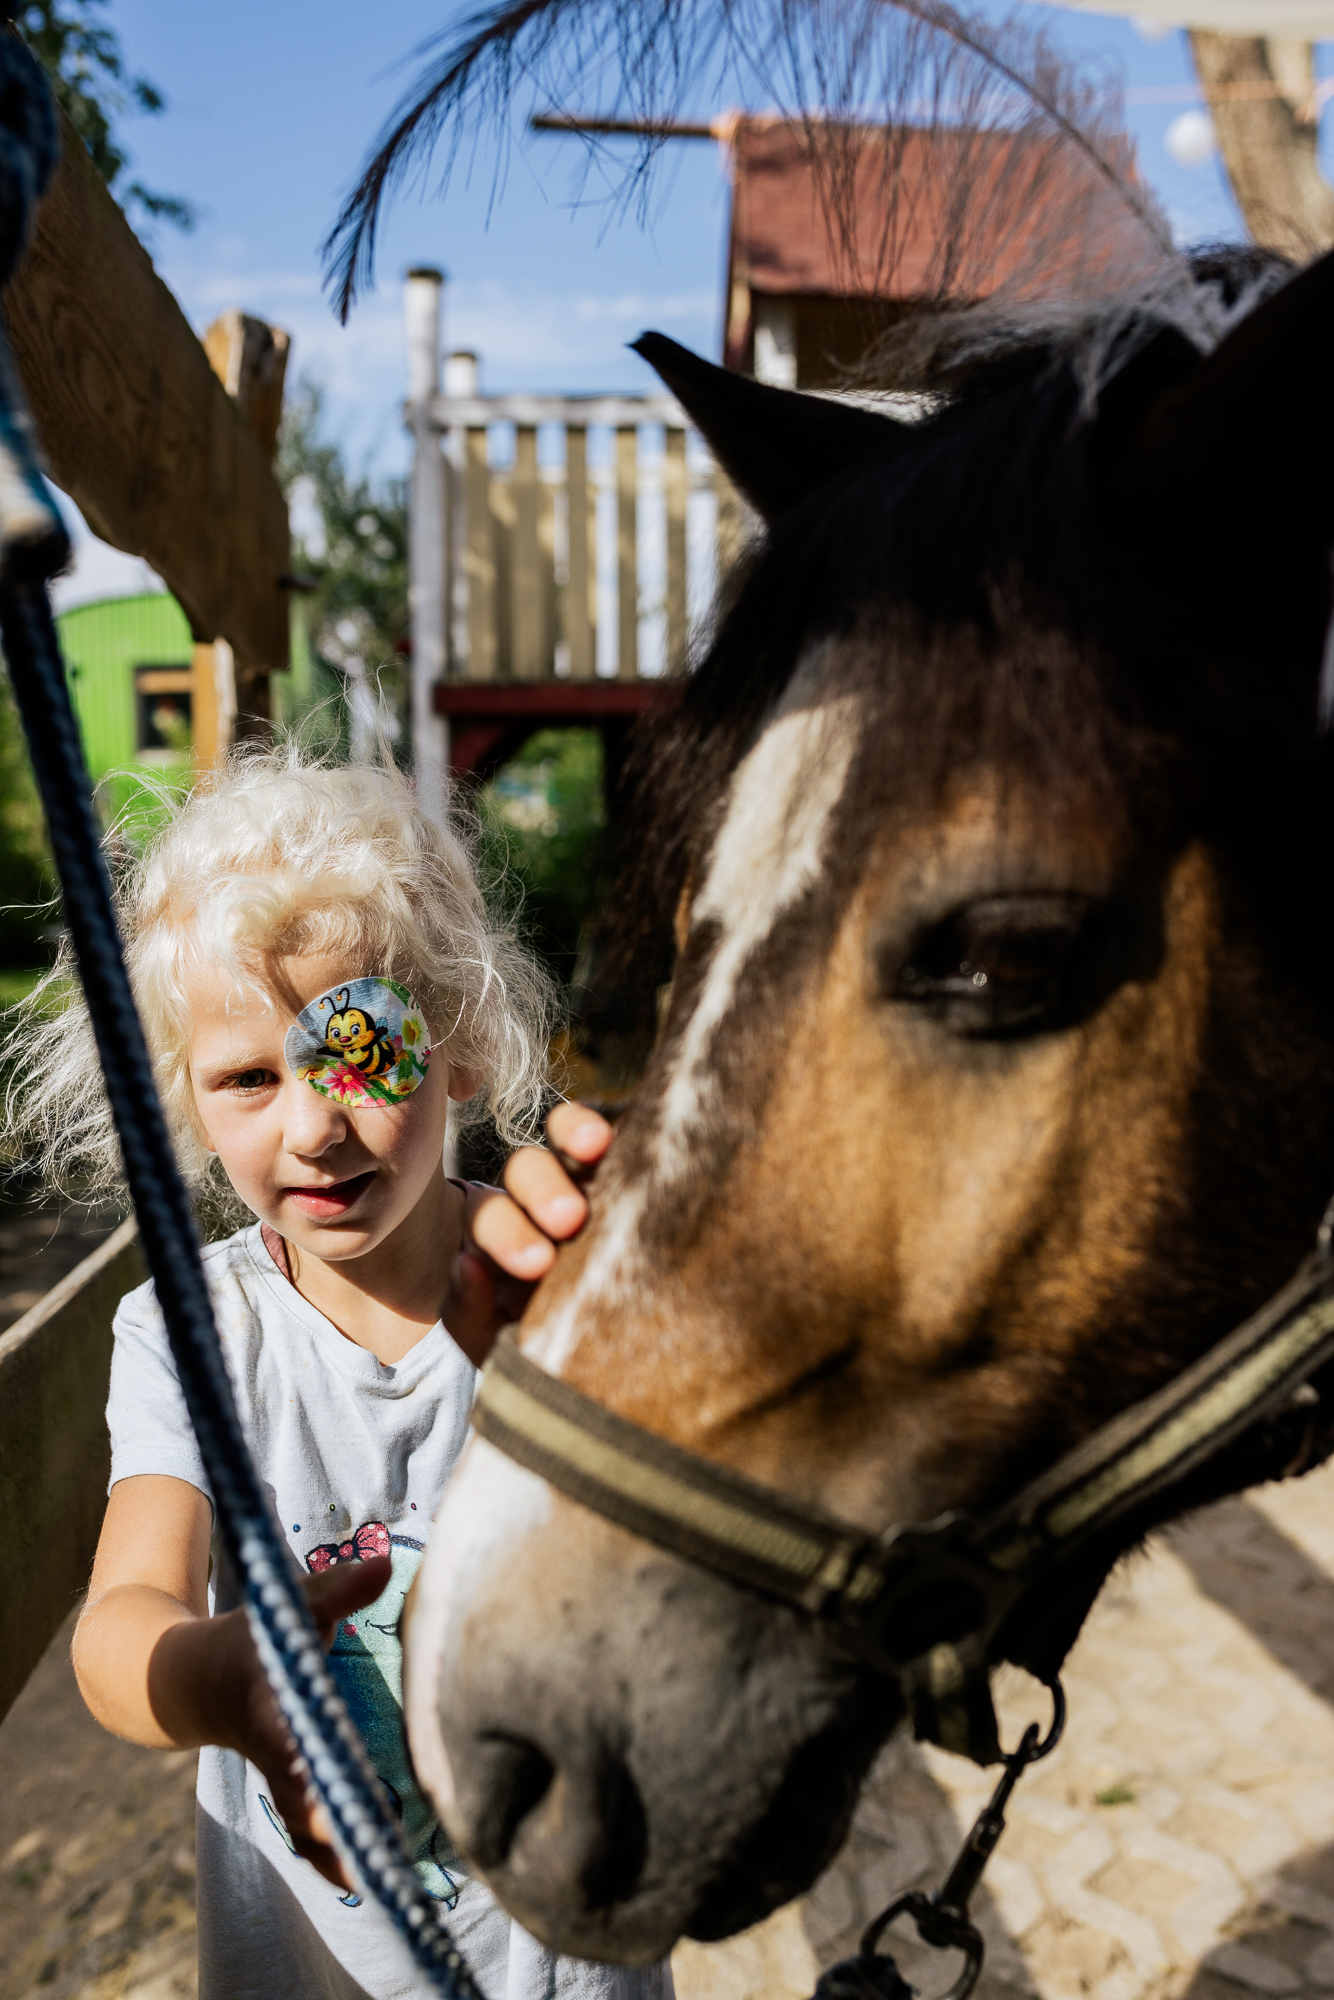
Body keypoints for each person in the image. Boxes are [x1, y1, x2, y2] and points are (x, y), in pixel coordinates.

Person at [1, 746, 665, 2000]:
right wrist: (219, 1677)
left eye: (357, 1049)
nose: (312, 1124)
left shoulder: (557, 1286)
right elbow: (121, 1618)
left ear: (462, 1048)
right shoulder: (190, 1331)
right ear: (184, 1106)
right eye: (248, 1077)